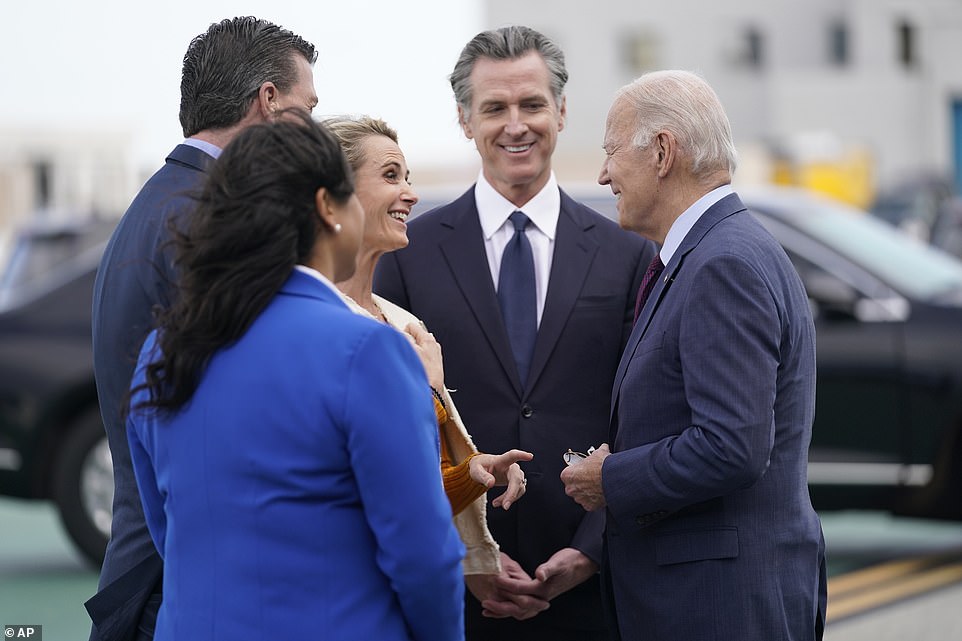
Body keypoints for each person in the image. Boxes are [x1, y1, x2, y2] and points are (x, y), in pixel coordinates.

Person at [125, 111, 466, 641]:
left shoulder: (163, 347)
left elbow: (168, 528)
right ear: (328, 208)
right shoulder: (367, 350)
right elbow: (422, 554)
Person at [374, 25, 656, 641]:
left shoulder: (627, 252)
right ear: (464, 120)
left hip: (591, 586)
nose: (515, 125)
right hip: (456, 590)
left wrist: (592, 549)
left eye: (531, 104)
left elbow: (641, 413)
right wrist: (466, 553)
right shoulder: (406, 254)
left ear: (561, 110)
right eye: (494, 108)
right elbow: (396, 424)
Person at [560, 70, 827, 640]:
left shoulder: (721, 264)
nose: (603, 174)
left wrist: (613, 478)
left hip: (717, 604)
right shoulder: (715, 251)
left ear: (662, 152)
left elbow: (732, 446)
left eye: (610, 152)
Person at [88, 17, 318, 641]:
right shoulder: (211, 215)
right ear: (268, 102)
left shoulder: (164, 200)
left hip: (154, 566)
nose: (316, 131)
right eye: (309, 107)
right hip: (184, 581)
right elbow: (253, 410)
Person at [325, 115, 535, 575]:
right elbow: (355, 489)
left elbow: (420, 486)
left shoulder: (401, 322)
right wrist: (427, 390)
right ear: (334, 192)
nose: (411, 193)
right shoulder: (315, 325)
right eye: (390, 175)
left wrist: (474, 473)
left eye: (409, 177)